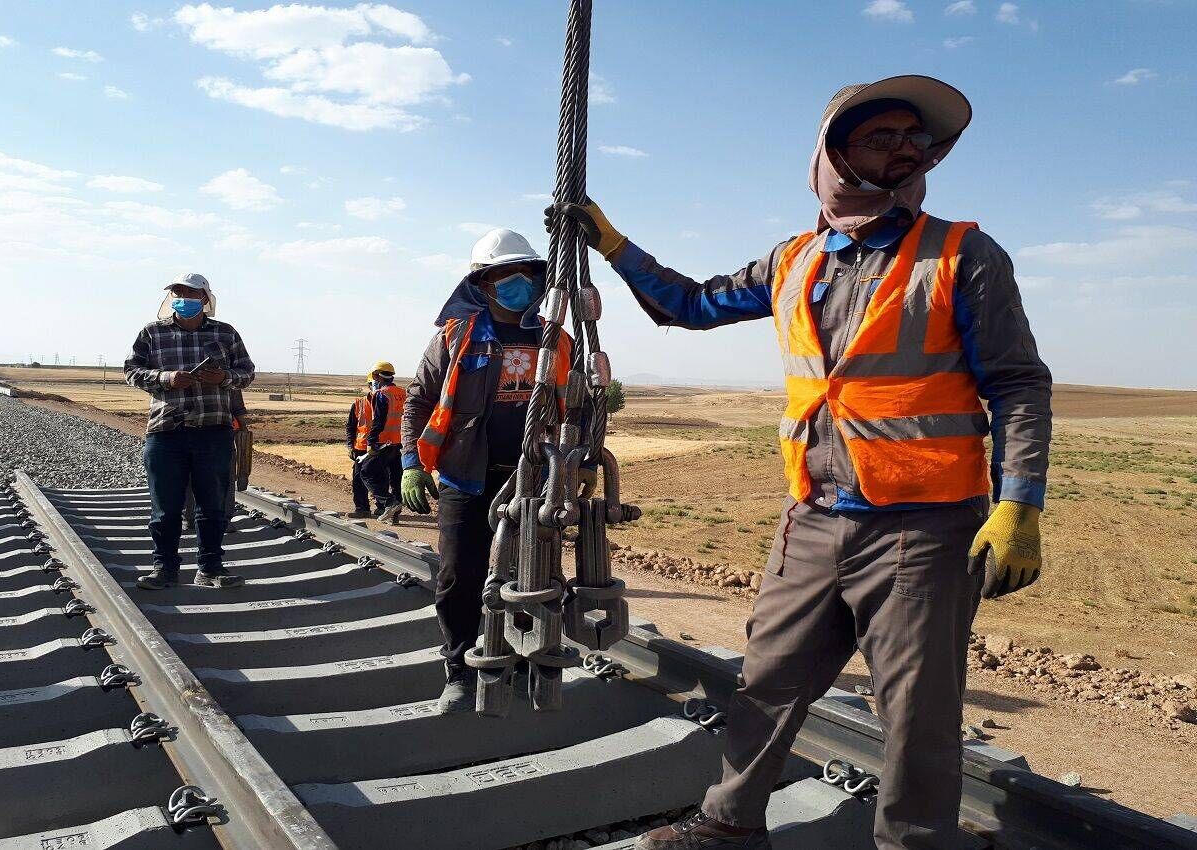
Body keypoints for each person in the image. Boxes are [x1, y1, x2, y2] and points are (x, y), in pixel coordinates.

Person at [552, 76, 1053, 850]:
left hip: (923, 532)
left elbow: (1018, 383)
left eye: (915, 139)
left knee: (917, 716)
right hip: (813, 521)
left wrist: (1019, 503)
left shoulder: (963, 255)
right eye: (883, 135)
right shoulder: (794, 259)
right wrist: (616, 249)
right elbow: (690, 305)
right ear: (834, 154)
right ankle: (728, 827)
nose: (906, 147)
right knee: (766, 682)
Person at [400, 228, 577, 713]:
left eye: (527, 273)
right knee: (460, 577)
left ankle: (520, 666)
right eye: (505, 274)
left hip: (532, 479)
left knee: (530, 577)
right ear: (483, 283)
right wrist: (411, 463)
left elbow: (575, 407)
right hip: (467, 476)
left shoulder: (555, 339)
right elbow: (418, 401)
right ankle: (458, 669)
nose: (518, 281)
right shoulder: (457, 336)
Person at [125, 273, 256, 590]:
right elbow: (131, 371)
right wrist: (166, 379)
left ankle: (211, 569)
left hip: (213, 432)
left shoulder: (226, 334)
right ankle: (164, 569)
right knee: (165, 508)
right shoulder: (152, 333)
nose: (182, 298)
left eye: (189, 293)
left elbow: (247, 373)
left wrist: (222, 377)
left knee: (211, 507)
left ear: (205, 299)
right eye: (177, 293)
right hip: (166, 431)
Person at [183, 388, 251, 532]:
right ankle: (190, 517)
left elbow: (235, 393)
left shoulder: (227, 368)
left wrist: (241, 425)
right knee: (189, 477)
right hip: (188, 427)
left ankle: (223, 519)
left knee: (224, 476)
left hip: (221, 427)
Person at [355, 361, 407, 524]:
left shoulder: (381, 394)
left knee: (366, 472)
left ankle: (389, 503)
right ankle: (394, 517)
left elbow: (379, 421)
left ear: (377, 375)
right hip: (399, 443)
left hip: (383, 442)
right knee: (396, 479)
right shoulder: (402, 393)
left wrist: (371, 441)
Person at [345, 393, 377, 519]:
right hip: (361, 447)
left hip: (381, 446)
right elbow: (351, 426)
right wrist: (350, 446)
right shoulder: (359, 403)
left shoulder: (386, 399)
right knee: (358, 478)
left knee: (381, 477)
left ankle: (383, 508)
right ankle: (362, 508)